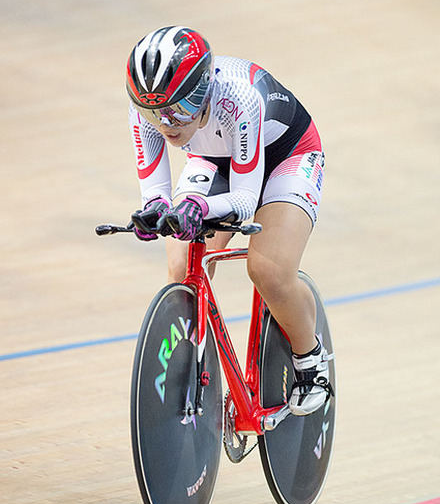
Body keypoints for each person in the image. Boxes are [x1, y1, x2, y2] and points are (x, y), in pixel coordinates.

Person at [126, 25, 333, 416]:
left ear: (203, 92)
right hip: (215, 158)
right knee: (180, 264)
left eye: (180, 109)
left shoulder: (240, 97)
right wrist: (155, 211)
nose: (167, 123)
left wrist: (199, 210)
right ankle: (194, 357)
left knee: (268, 270)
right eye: (155, 113)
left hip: (286, 157)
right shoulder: (148, 109)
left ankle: (311, 361)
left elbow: (241, 200)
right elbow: (154, 190)